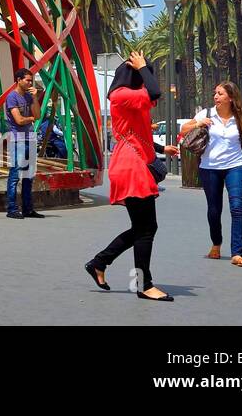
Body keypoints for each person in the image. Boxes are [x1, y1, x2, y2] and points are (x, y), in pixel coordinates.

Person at [85, 51, 179, 300]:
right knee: (146, 229)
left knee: (143, 227)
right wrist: (142, 66)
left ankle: (99, 262)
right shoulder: (121, 94)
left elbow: (140, 133)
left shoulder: (133, 98)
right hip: (131, 166)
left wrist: (161, 149)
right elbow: (156, 91)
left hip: (134, 162)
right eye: (140, 71)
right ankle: (144, 285)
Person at [180, 81, 242, 266]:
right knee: (214, 210)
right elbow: (183, 129)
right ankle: (216, 244)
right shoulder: (206, 114)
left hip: (236, 166)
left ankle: (237, 253)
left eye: (220, 94)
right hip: (209, 167)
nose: (216, 97)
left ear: (231, 98)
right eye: (215, 93)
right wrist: (198, 123)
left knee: (237, 207)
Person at [5, 68, 44, 218]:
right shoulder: (12, 97)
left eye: (31, 80)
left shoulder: (29, 97)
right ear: (18, 80)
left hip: (30, 139)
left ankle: (28, 209)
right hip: (18, 140)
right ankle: (12, 209)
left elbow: (38, 114)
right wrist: (31, 119)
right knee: (15, 175)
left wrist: (35, 98)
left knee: (29, 176)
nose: (30, 83)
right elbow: (19, 120)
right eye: (27, 80)